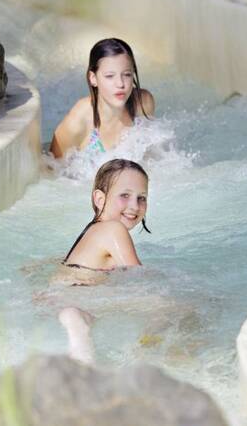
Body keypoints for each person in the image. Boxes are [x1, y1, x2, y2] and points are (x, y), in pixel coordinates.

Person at [56, 158, 151, 363]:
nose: (134, 206)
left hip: (62, 297)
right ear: (100, 199)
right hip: (77, 298)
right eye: (124, 195)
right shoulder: (113, 229)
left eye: (141, 197)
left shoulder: (92, 230)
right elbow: (140, 279)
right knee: (182, 311)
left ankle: (76, 319)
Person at [50, 38, 155, 158]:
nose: (120, 84)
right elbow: (51, 170)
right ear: (93, 78)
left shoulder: (143, 103)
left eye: (127, 74)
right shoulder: (77, 123)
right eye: (110, 76)